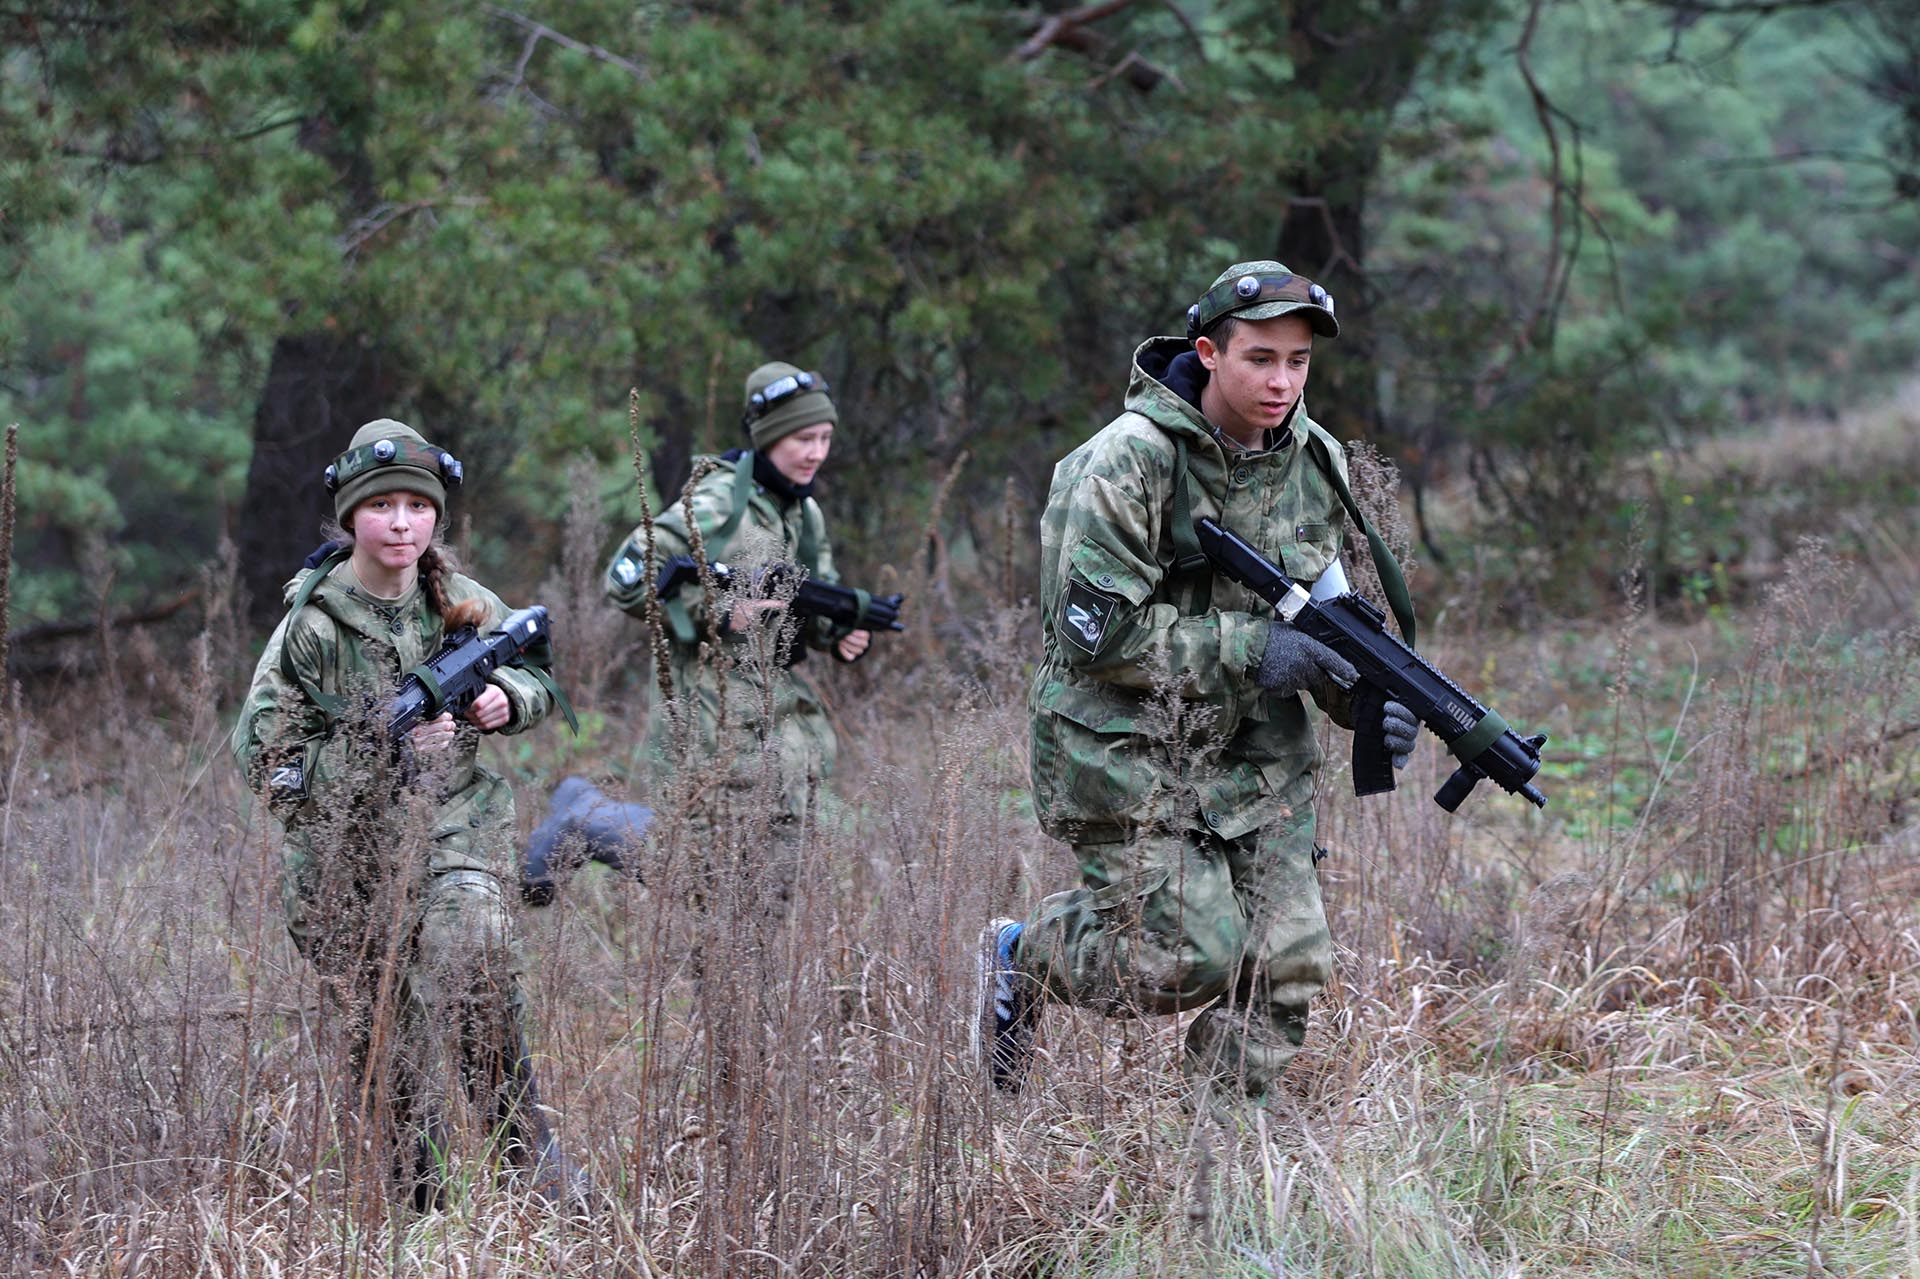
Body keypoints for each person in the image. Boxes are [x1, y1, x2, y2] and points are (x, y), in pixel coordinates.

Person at [974, 261, 1422, 1103]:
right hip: (1125, 741)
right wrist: (1255, 650)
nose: (1281, 380)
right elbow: (1090, 636)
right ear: (1209, 352)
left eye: (1298, 361)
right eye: (1259, 357)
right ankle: (1021, 954)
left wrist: (1365, 700)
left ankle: (1217, 1157)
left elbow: (1331, 619)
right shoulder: (1124, 463)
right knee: (1182, 956)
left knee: (1288, 967)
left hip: (1257, 753)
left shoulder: (1314, 461)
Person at [232, 418, 582, 1208]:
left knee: (474, 950)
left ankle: (527, 1155)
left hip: (455, 821)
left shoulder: (459, 599)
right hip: (345, 861)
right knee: (383, 1038)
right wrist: (380, 749)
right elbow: (269, 769)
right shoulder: (310, 630)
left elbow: (536, 665)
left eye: (416, 507)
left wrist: (505, 698)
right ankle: (421, 1204)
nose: (401, 523)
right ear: (349, 517)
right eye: (382, 506)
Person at [596, 362, 871, 906]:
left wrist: (836, 633)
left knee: (780, 873)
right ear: (769, 439)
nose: (816, 452)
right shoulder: (719, 503)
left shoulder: (802, 510)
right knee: (707, 881)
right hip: (706, 717)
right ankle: (594, 823)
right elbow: (626, 581)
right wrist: (719, 612)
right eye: (802, 439)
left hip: (777, 719)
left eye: (824, 438)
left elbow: (810, 597)